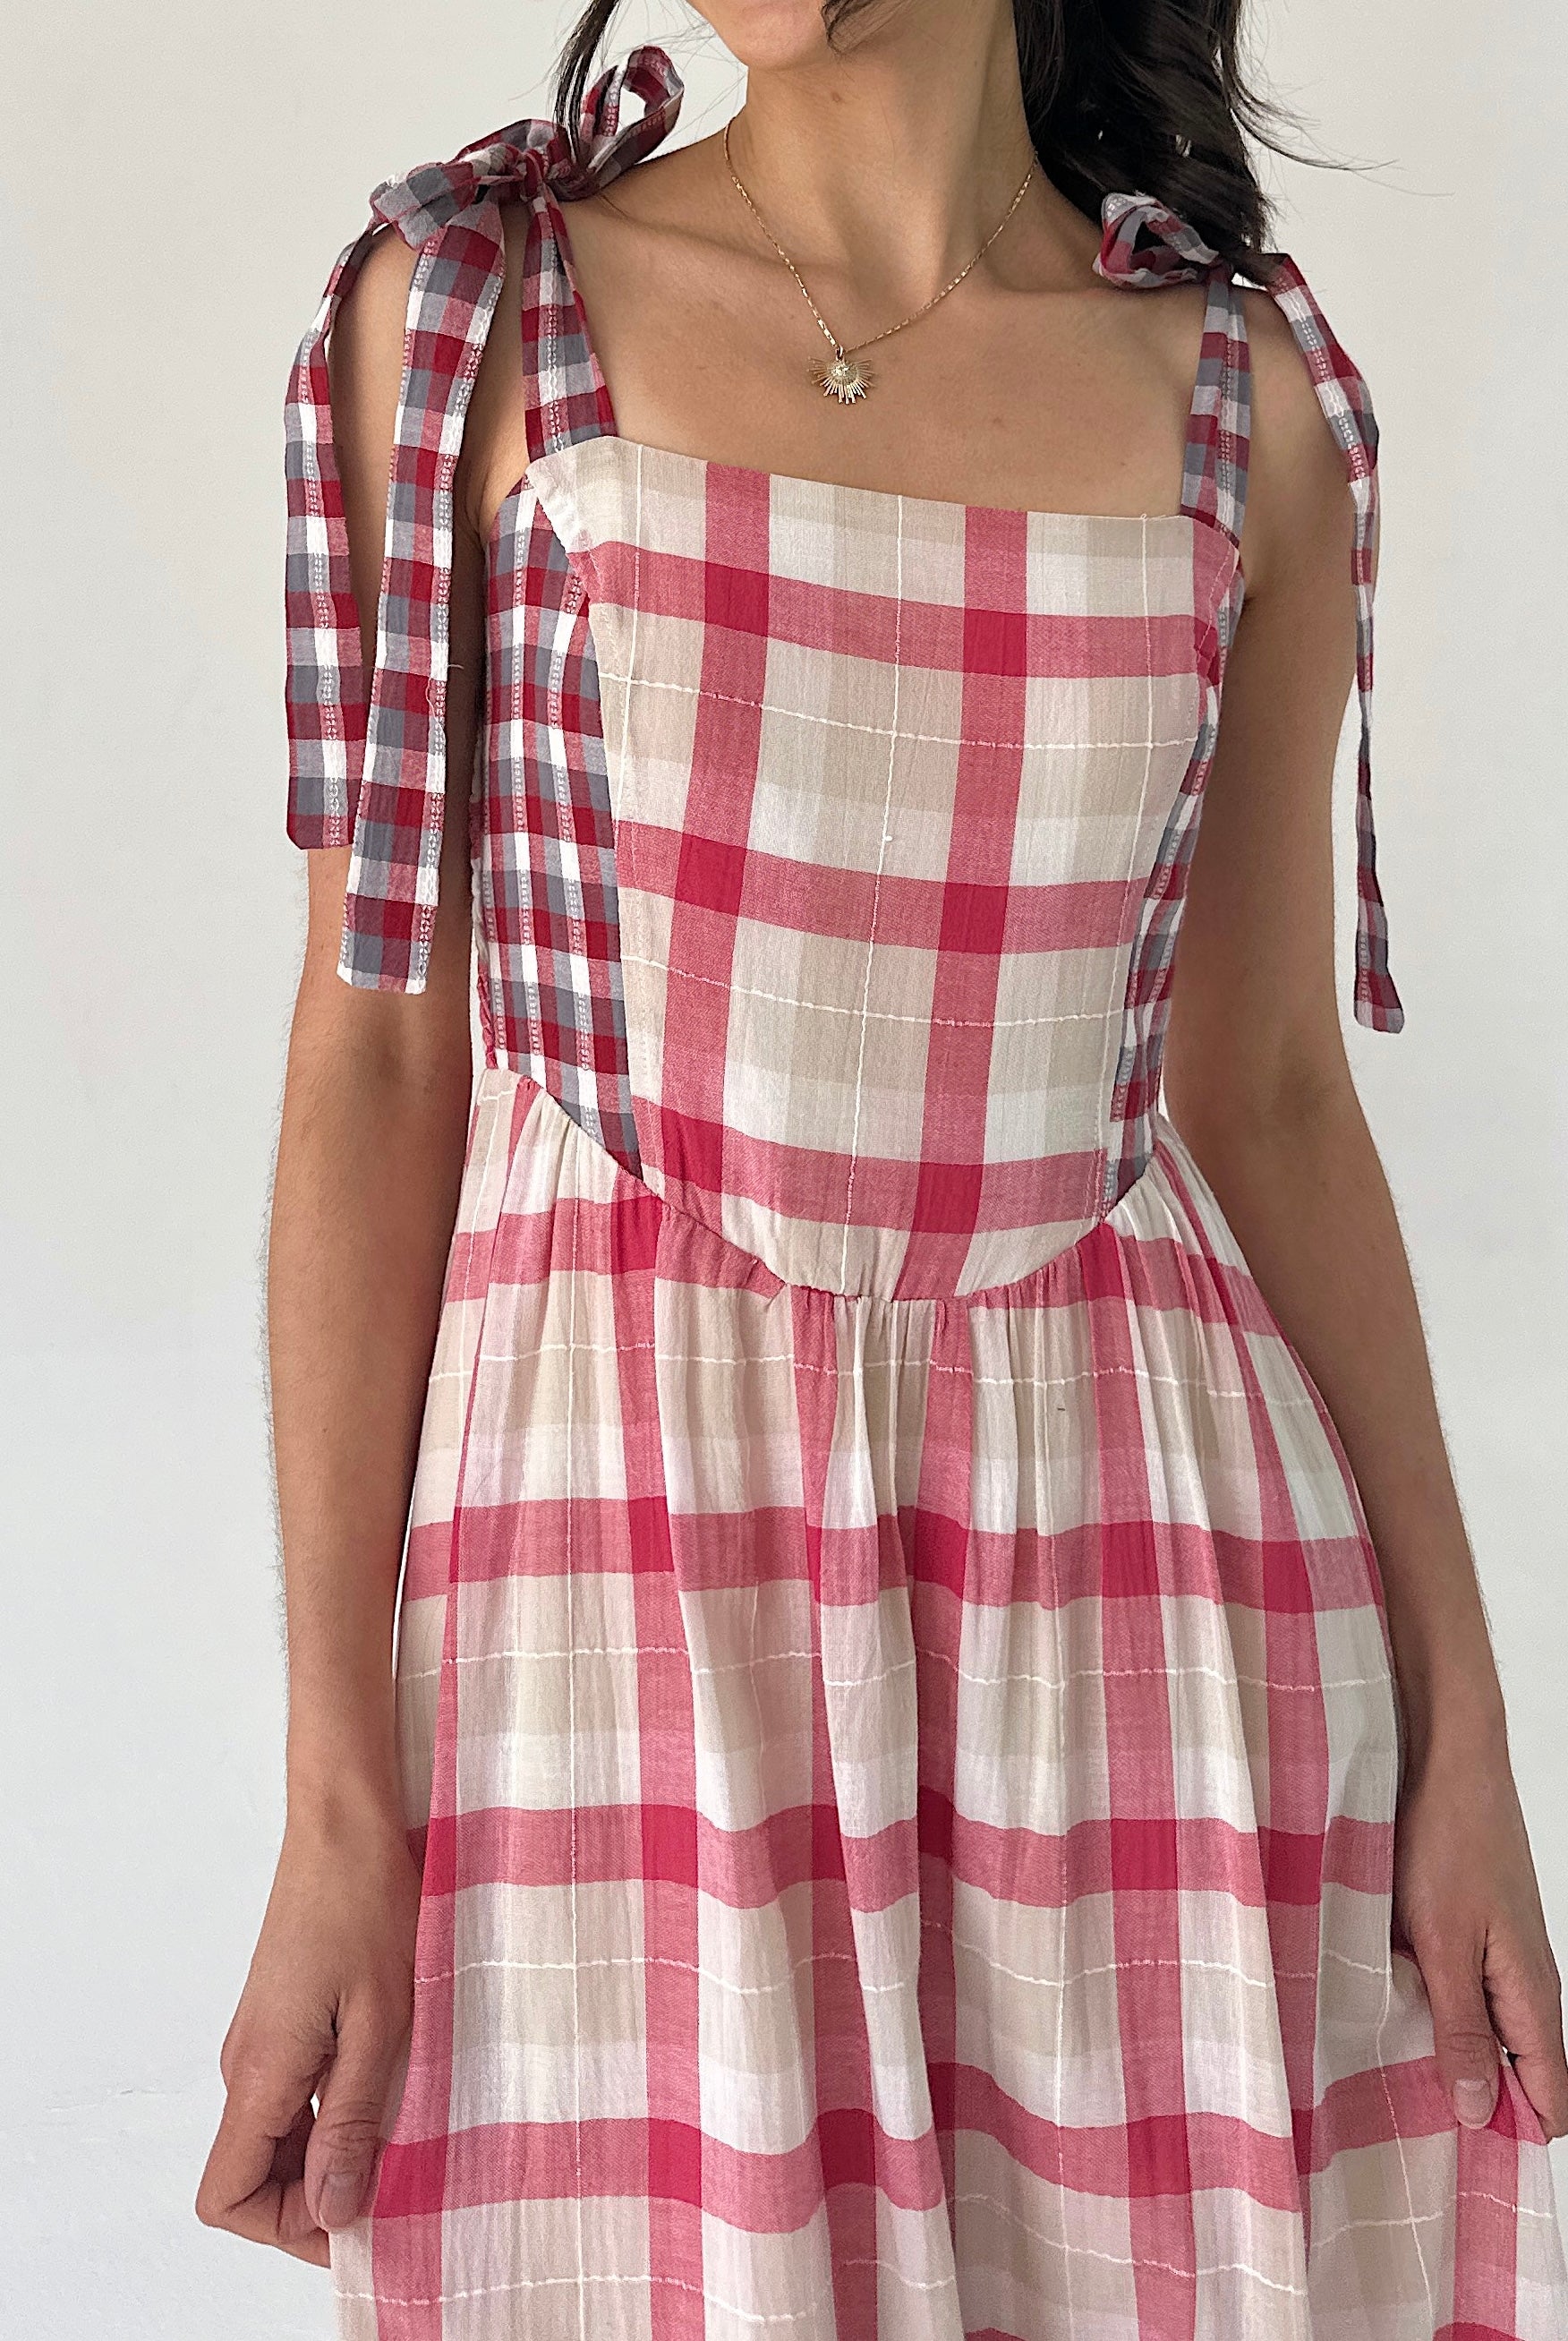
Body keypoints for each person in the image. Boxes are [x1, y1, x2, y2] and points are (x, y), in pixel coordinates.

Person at [197, 3, 1568, 2332]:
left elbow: (1267, 1095)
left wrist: (1469, 1736)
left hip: (1149, 1610)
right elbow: (377, 1061)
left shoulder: (1244, 404)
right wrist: (338, 1796)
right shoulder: (468, 317)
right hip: (615, 1600)